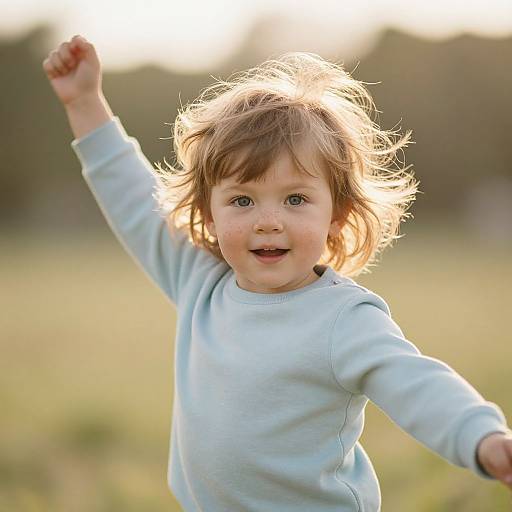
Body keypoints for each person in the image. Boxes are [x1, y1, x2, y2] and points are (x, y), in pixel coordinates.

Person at [43, 35, 512, 511]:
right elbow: (133, 198)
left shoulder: (344, 318)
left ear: (337, 214)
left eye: (295, 199)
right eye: (242, 200)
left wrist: (484, 438)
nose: (269, 220)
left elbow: (416, 383)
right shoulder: (199, 281)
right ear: (208, 212)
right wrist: (85, 103)